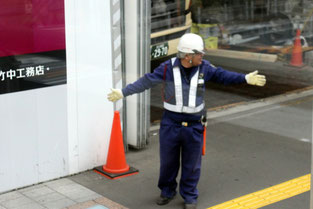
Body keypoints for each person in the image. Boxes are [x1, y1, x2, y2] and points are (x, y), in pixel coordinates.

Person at [107, 33, 266, 209]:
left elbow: (223, 76)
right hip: (170, 124)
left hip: (194, 124)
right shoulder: (166, 69)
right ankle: (167, 191)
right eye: (199, 53)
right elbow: (146, 81)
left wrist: (244, 78)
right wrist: (123, 92)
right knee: (168, 162)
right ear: (188, 56)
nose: (203, 56)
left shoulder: (205, 68)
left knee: (192, 164)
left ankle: (190, 195)